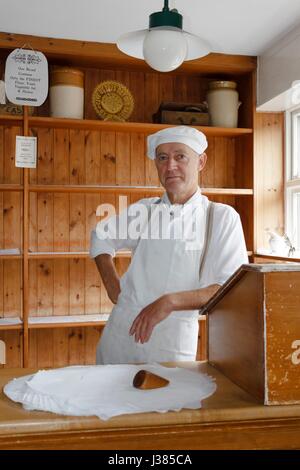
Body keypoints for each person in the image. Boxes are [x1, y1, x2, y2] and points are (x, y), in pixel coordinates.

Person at [90, 126, 248, 364]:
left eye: (180, 156)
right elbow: (101, 234)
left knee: (164, 400)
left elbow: (230, 287)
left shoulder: (221, 217)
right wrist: (113, 287)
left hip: (170, 341)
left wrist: (170, 301)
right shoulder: (145, 210)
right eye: (162, 158)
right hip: (121, 333)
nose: (170, 166)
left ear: (201, 161)